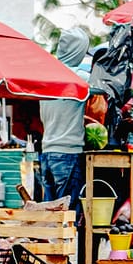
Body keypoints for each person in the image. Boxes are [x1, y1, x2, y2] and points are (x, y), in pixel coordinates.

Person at [38, 32, 90, 206]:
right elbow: (107, 88)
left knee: (51, 214)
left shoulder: (46, 75)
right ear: (78, 51)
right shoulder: (77, 77)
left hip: (47, 152)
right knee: (68, 214)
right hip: (68, 152)